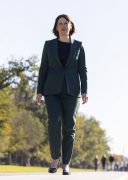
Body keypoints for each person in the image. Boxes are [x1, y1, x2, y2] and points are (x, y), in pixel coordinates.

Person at [36, 14, 88, 175]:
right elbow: (43, 68)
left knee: (69, 127)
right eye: (60, 23)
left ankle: (66, 163)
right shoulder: (49, 45)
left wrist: (85, 90)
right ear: (56, 27)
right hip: (51, 91)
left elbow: (82, 70)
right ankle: (55, 158)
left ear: (71, 26)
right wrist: (39, 91)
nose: (64, 25)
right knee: (54, 123)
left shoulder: (79, 46)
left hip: (72, 92)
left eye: (66, 23)